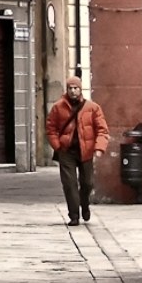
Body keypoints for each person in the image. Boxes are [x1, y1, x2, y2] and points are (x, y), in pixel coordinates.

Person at [46, 74, 109, 227]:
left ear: (80, 89)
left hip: (85, 151)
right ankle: (74, 215)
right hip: (66, 151)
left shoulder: (92, 108)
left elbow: (102, 130)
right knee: (70, 184)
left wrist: (99, 148)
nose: (73, 91)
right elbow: (50, 128)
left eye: (76, 88)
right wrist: (57, 146)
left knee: (87, 183)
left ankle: (85, 204)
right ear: (66, 90)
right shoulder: (58, 107)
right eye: (70, 88)